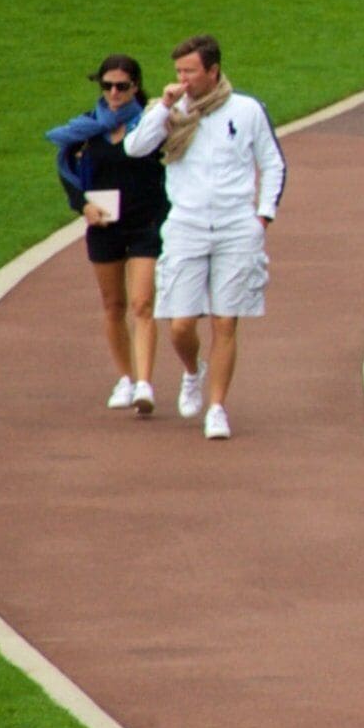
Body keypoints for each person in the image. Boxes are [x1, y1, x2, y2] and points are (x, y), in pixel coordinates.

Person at [120, 33, 283, 440]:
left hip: (235, 227)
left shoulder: (246, 110)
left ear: (213, 71)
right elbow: (136, 148)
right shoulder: (168, 110)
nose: (182, 78)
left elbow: (272, 163)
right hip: (186, 227)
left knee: (226, 321)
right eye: (178, 71)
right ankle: (193, 371)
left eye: (190, 71)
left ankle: (217, 408)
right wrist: (166, 107)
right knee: (180, 325)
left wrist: (263, 216)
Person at [49, 53, 169, 414]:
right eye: (108, 86)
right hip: (104, 226)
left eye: (122, 86)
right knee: (113, 305)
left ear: (136, 87)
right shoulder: (87, 128)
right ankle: (126, 377)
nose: (114, 93)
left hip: (147, 223)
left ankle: (145, 383)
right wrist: (82, 205)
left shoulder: (151, 124)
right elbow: (66, 170)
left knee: (142, 303)